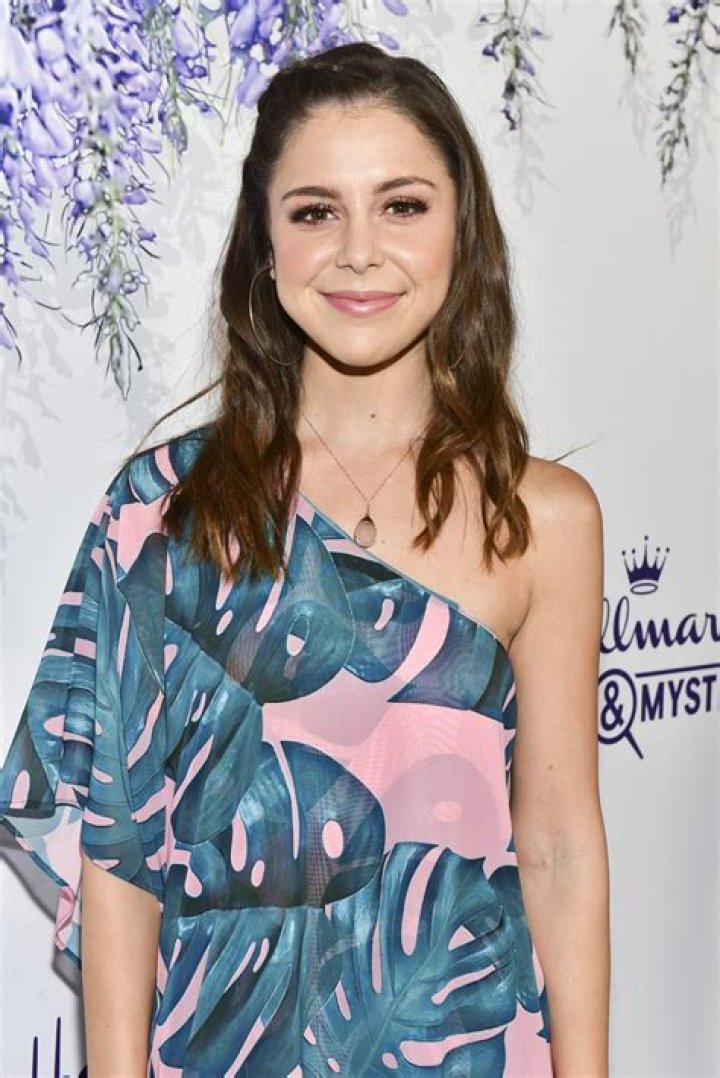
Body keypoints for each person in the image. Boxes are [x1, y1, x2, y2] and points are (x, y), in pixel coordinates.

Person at [0, 42, 610, 1077]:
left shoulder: (543, 518)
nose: (359, 252)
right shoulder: (162, 511)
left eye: (403, 205)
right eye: (317, 211)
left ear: (461, 230)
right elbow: (121, 857)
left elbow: (558, 846)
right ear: (266, 246)